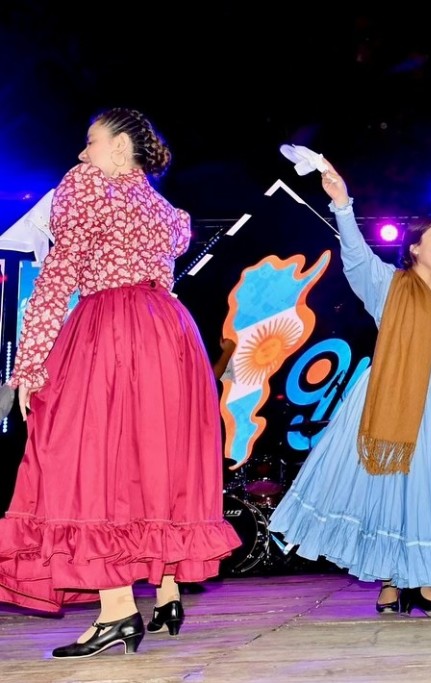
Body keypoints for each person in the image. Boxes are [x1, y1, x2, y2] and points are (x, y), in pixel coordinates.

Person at [0, 108, 241, 657]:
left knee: (89, 461)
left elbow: (59, 274)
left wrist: (30, 365)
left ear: (118, 150)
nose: (81, 154)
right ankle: (165, 586)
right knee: (148, 463)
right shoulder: (164, 210)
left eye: (91, 142)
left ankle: (116, 611)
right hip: (169, 334)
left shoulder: (86, 184)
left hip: (110, 328)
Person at [268, 160, 431, 618]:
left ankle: (423, 585)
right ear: (415, 246)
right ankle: (389, 582)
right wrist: (342, 204)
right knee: (391, 493)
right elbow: (357, 255)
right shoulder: (388, 286)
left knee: (430, 494)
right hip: (391, 398)